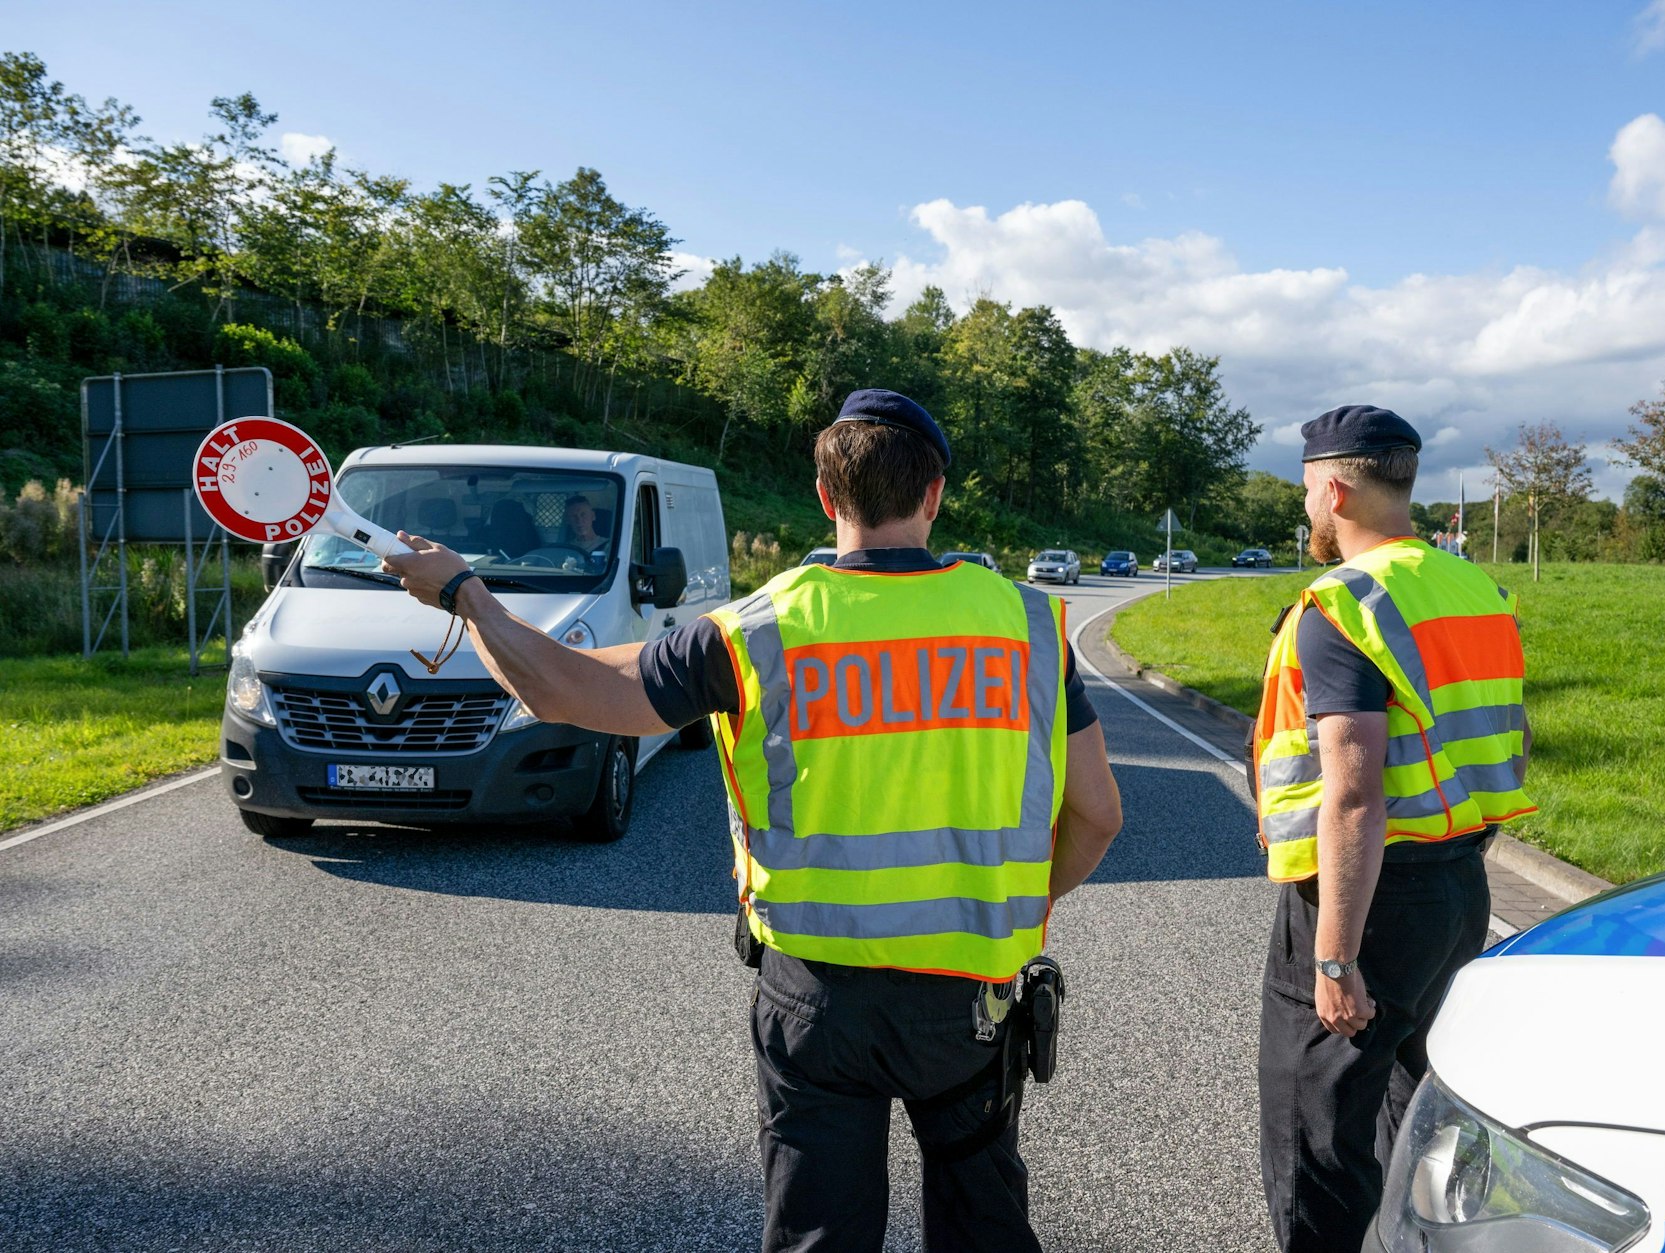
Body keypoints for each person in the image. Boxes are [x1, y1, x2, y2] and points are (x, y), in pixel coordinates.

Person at [384, 388, 1125, 1253]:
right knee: (985, 1225)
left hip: (817, 1000)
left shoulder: (752, 633)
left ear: (825, 496)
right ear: (933, 496)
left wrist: (468, 595)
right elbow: (1098, 815)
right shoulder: (1029, 627)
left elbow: (561, 687)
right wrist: (1004, 905)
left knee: (820, 1233)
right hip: (972, 999)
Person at [1248, 405, 1535, 1253]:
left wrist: (1333, 953)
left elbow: (1353, 795)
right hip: (1458, 886)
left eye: (1307, 493)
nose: (1307, 512)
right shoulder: (1471, 585)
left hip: (1365, 902)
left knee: (1318, 1132)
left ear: (1334, 487)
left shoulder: (1344, 606)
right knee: (1417, 1118)